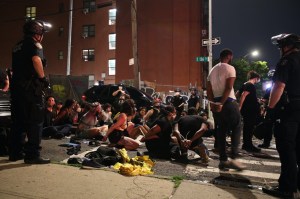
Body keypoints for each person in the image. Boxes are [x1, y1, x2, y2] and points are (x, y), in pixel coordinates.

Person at [262, 33, 300, 198]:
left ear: (286, 46)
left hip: (290, 110)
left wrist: (270, 109)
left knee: (286, 148)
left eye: (280, 47)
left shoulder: (287, 61)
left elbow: (279, 86)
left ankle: (287, 188)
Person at [9, 20, 52, 164]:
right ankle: (32, 155)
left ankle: (15, 153)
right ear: (38, 34)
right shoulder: (35, 44)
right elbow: (36, 60)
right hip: (31, 90)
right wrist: (43, 78)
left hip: (16, 90)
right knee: (35, 122)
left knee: (18, 122)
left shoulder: (17, 46)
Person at [207, 48, 246, 171]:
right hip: (228, 102)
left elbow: (208, 90)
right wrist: (222, 103)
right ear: (229, 56)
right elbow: (229, 87)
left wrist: (214, 103)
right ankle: (234, 158)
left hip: (216, 103)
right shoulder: (230, 68)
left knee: (221, 131)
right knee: (237, 126)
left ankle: (223, 160)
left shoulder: (212, 70)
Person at [237, 70, 261, 153]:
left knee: (247, 127)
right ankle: (248, 145)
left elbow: (238, 93)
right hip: (250, 110)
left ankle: (246, 144)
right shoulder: (250, 85)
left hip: (246, 110)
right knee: (249, 128)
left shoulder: (244, 84)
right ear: (256, 78)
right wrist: (239, 106)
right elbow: (243, 95)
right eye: (258, 79)